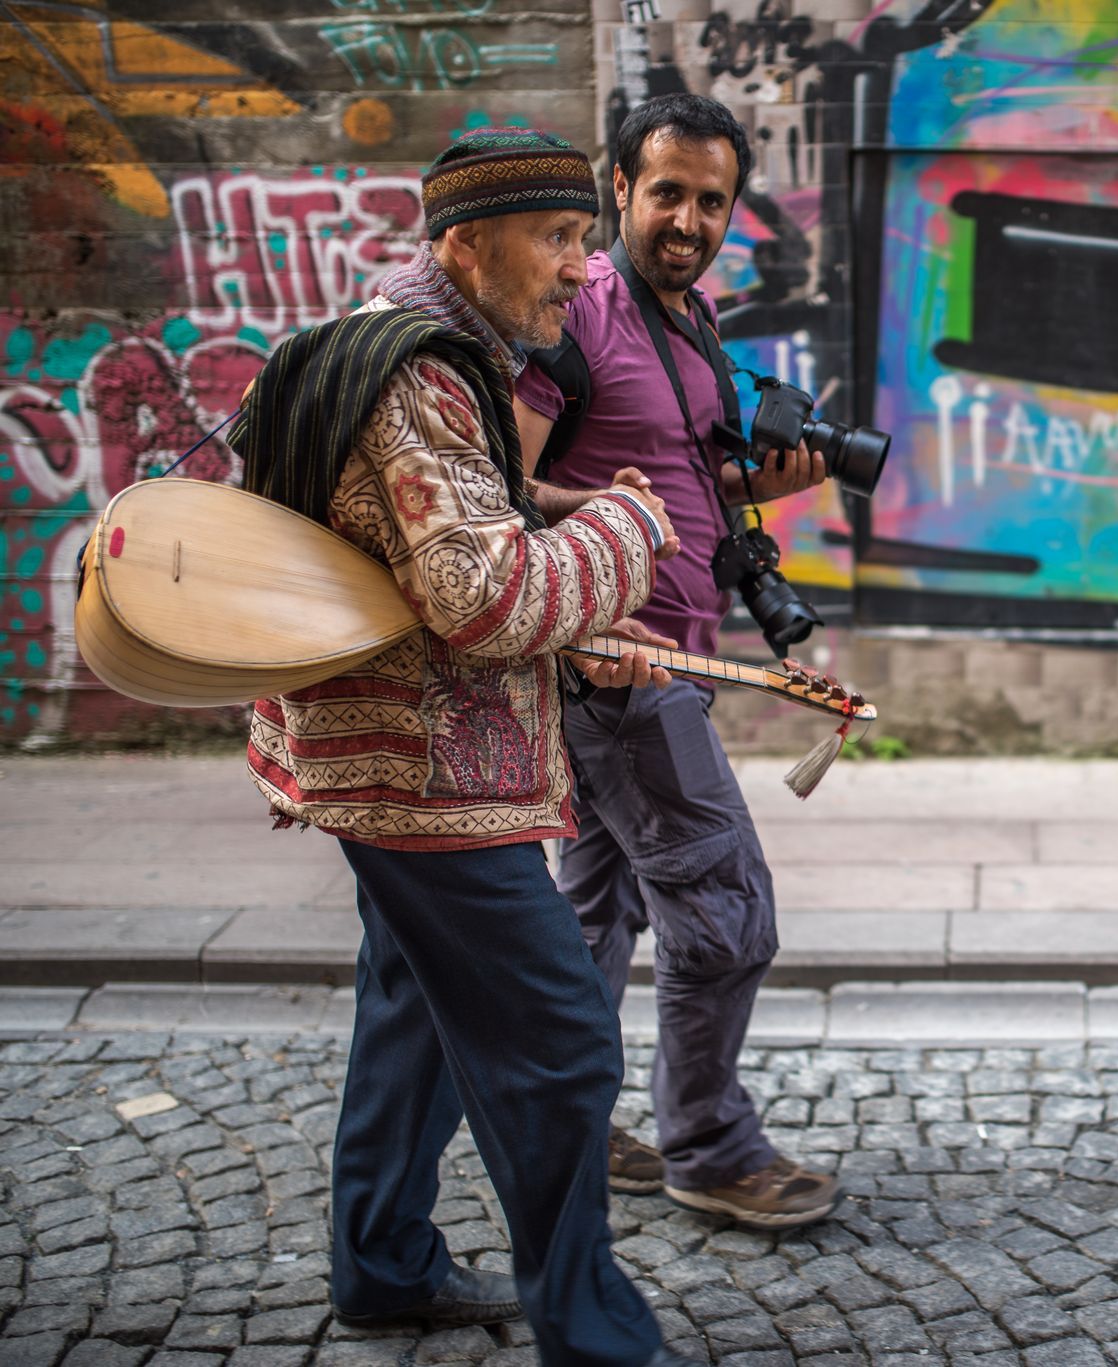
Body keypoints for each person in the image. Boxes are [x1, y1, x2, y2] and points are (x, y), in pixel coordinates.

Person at [233, 126, 695, 1367]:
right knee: (558, 1038)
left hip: (374, 753)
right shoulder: (418, 378)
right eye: (557, 238)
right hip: (427, 776)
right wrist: (621, 534)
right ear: (464, 243)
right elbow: (481, 598)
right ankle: (597, 1336)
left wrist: (583, 597)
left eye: (584, 242)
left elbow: (445, 514)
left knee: (416, 1007)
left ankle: (383, 1266)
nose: (580, 271)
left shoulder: (398, 342)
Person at [512, 93, 840, 1229]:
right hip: (621, 671)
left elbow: (679, 476)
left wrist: (771, 484)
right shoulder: (580, 318)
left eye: (710, 199)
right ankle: (707, 1144)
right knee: (724, 906)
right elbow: (503, 487)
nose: (687, 218)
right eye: (667, 193)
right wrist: (606, 522)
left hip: (675, 660)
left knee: (593, 913)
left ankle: (568, 1114)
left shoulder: (689, 318)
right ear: (620, 190)